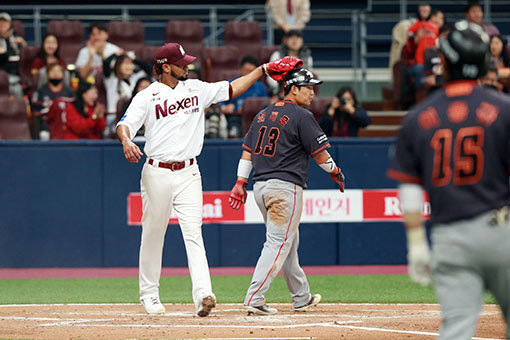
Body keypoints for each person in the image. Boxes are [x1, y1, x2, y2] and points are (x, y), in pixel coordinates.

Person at [115, 42, 300, 317]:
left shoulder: (196, 88)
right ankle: (149, 294)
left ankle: (203, 294)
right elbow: (124, 124)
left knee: (194, 233)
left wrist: (261, 70)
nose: (186, 66)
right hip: (157, 170)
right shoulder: (148, 95)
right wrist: (126, 140)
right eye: (181, 63)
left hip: (189, 171)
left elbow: (232, 88)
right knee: (154, 233)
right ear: (165, 67)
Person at [387, 20, 510, 340]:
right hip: (501, 232)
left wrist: (416, 244)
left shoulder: (417, 118)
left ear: (444, 61)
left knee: (456, 327)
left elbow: (410, 186)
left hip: (450, 237)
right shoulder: (504, 109)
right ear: (485, 61)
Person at [229, 67, 345, 315]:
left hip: (260, 187)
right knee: (278, 244)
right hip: (284, 189)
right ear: (293, 89)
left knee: (288, 245)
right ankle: (254, 297)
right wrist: (335, 170)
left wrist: (241, 181)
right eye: (308, 88)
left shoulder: (262, 114)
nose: (313, 92)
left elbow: (247, 151)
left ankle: (301, 296)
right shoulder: (302, 115)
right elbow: (321, 155)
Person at [103, 52, 152, 137]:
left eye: (130, 63)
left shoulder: (134, 79)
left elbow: (149, 69)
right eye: (125, 63)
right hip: (114, 116)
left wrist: (134, 59)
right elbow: (106, 64)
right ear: (118, 65)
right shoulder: (111, 79)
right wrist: (116, 54)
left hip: (132, 115)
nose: (129, 66)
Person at [219, 56, 268, 138]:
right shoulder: (231, 84)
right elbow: (220, 103)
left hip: (256, 118)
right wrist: (223, 107)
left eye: (252, 72)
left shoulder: (261, 87)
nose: (249, 74)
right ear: (241, 70)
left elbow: (266, 105)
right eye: (247, 71)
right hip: (235, 117)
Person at [31, 63, 75, 139]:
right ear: (47, 74)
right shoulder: (40, 91)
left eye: (58, 71)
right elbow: (35, 111)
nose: (56, 74)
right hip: (46, 125)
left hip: (65, 124)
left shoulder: (69, 92)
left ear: (63, 74)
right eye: (53, 71)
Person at [267, 30, 313, 95]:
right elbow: (270, 77)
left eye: (297, 38)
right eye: (291, 38)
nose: (294, 41)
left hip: (301, 90)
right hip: (280, 90)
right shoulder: (277, 55)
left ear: (302, 41)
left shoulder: (308, 57)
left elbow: (308, 77)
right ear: (285, 40)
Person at [0, 12, 26, 98]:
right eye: (0, 22)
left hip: (17, 72)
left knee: (17, 88)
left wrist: (23, 45)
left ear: (10, 24)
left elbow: (26, 57)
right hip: (3, 72)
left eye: (5, 22)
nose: (2, 24)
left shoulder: (16, 38)